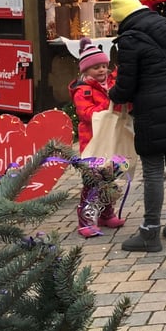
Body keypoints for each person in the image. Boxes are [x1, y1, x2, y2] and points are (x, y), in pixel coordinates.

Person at [108, 0, 166, 253]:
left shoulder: (131, 38)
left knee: (154, 170)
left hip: (152, 109)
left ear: (122, 16)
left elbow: (126, 84)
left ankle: (149, 233)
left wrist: (111, 94)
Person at [68, 37, 125, 238]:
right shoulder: (83, 90)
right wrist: (108, 103)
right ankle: (86, 219)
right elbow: (87, 114)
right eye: (95, 68)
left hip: (110, 139)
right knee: (92, 181)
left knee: (109, 177)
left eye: (103, 66)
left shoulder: (111, 84)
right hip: (92, 142)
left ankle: (106, 213)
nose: (101, 70)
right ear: (85, 71)